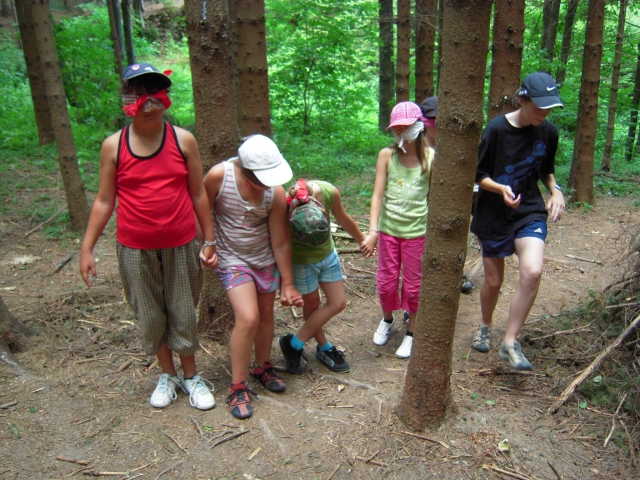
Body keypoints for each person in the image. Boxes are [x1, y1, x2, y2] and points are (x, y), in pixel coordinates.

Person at [80, 63, 217, 411]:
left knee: (183, 311)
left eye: (156, 94)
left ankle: (191, 377)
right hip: (134, 247)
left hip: (181, 243)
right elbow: (104, 200)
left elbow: (198, 193)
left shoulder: (183, 140)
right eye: (139, 96)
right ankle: (167, 375)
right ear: (127, 100)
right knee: (150, 315)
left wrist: (209, 240)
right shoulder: (114, 146)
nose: (149, 104)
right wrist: (87, 248)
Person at [203, 134, 303, 419]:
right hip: (231, 259)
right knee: (248, 318)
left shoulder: (275, 193)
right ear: (248, 176)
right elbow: (201, 210)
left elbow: (280, 240)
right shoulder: (219, 176)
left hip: (263, 259)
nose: (269, 184)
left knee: (265, 315)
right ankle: (237, 386)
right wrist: (206, 244)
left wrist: (288, 283)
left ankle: (263, 366)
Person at [470, 72, 565, 370]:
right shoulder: (496, 129)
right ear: (522, 100)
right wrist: (500, 189)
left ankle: (510, 341)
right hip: (493, 214)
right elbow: (478, 175)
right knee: (493, 282)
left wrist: (555, 190)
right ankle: (485, 324)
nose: (544, 113)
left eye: (549, 108)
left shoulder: (549, 131)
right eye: (539, 107)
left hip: (529, 211)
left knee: (533, 271)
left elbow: (546, 170)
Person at [278, 179, 373, 374]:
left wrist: (362, 239)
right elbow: (282, 244)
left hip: (328, 256)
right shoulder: (285, 206)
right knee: (312, 307)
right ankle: (324, 347)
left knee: (338, 302)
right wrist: (286, 282)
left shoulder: (329, 192)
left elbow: (343, 218)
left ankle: (294, 343)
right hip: (302, 262)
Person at [363, 101, 434, 358]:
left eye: (406, 127)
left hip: (417, 234)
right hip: (389, 231)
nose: (400, 132)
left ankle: (411, 333)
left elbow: (435, 198)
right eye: (396, 128)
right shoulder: (387, 155)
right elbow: (377, 194)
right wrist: (373, 231)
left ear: (418, 126)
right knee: (386, 284)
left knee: (414, 287)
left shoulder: (431, 158)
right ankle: (387, 319)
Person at [420, 95, 474, 295]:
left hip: (451, 202)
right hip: (423, 204)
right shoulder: (416, 148)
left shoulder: (454, 145)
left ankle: (457, 273)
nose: (436, 125)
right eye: (432, 120)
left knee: (454, 236)